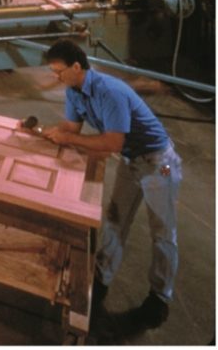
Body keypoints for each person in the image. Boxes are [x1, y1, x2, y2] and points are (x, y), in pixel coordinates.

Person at [33, 40, 181, 331]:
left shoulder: (109, 92)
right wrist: (44, 132)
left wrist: (69, 139)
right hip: (131, 160)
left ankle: (159, 298)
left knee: (163, 232)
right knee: (114, 221)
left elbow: (112, 143)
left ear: (77, 67)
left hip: (159, 162)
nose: (56, 77)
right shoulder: (73, 91)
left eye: (59, 71)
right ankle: (100, 281)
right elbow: (71, 128)